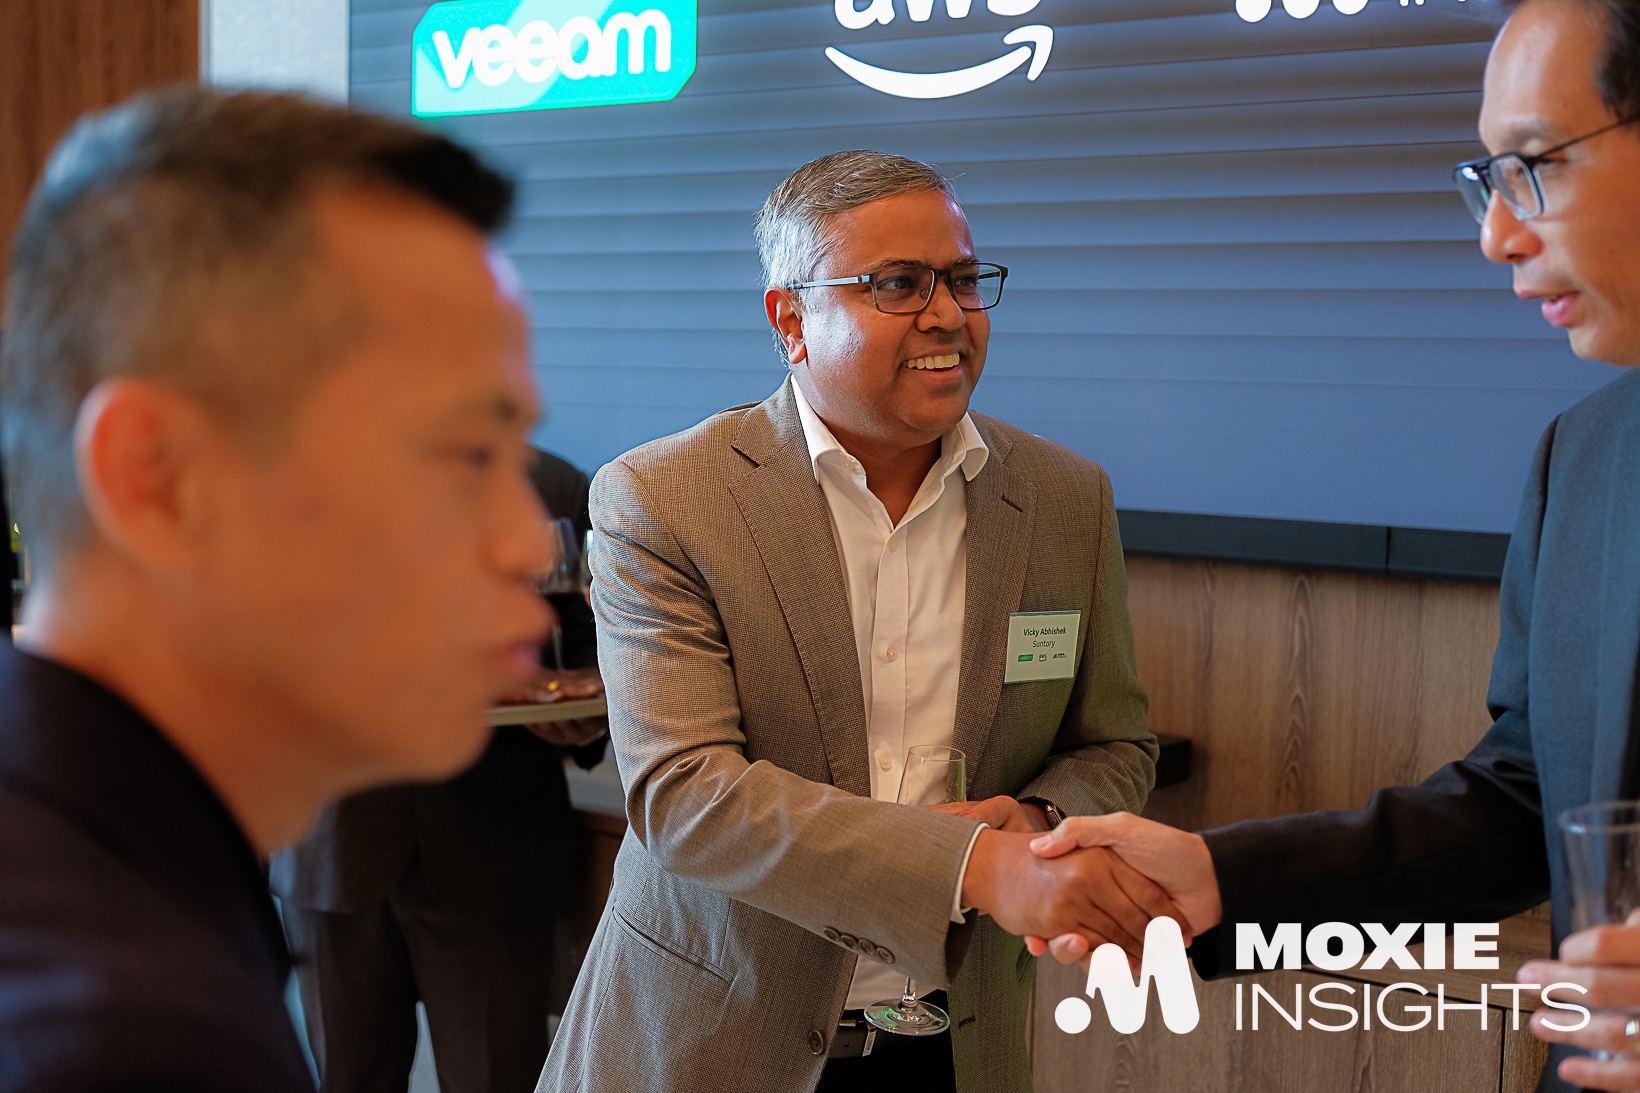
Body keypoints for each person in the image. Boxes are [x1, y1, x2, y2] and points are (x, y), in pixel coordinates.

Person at [1022, 2, 1640, 1090]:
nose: (1497, 234)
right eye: (1488, 179)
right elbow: (1526, 799)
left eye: (1535, 164)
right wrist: (1218, 877)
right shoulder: (1584, 457)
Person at [536, 150, 1180, 1093]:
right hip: (715, 1046)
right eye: (898, 284)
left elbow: (1115, 745)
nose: (948, 314)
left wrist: (1039, 818)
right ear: (791, 320)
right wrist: (974, 865)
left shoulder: (1064, 499)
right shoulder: (665, 498)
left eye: (963, 279)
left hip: (956, 1045)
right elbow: (686, 796)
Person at [0, 88, 550, 1090]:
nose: (524, 542)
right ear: (160, 480)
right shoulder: (125, 1039)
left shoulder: (105, 872)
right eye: (467, 453)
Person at [271, 448, 607, 1093]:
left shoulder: (550, 486)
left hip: (497, 847)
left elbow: (595, 651)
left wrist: (587, 718)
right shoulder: (291, 483)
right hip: (331, 842)